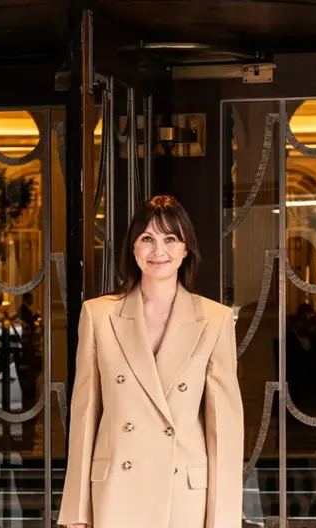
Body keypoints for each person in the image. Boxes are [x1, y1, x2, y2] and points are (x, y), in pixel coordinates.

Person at [57, 194, 244, 528]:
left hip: (184, 495)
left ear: (186, 249)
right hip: (116, 489)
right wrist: (77, 511)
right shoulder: (99, 315)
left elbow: (224, 430)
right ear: (133, 248)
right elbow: (85, 414)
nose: (159, 251)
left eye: (170, 239)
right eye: (148, 239)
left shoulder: (215, 319)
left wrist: (223, 519)